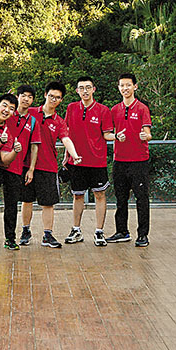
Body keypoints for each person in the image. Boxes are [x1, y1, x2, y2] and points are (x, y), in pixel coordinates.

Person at [20, 82, 83, 248]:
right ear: (45, 95)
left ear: (61, 100)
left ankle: (47, 235)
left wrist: (74, 155)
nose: (53, 99)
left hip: (48, 166)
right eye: (51, 96)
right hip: (27, 165)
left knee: (48, 203)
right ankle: (25, 231)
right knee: (27, 200)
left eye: (57, 97)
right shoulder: (31, 112)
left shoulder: (59, 122)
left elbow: (66, 139)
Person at [0, 89, 39, 250]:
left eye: (30, 97)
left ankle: (10, 238)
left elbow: (34, 146)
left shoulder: (31, 121)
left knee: (11, 205)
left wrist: (31, 168)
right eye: (23, 95)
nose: (26, 99)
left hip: (15, 168)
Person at [63, 76, 115, 246]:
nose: (85, 91)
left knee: (100, 195)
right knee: (77, 195)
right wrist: (66, 155)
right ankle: (76, 230)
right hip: (76, 162)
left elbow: (107, 134)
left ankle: (99, 232)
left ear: (94, 89)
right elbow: (66, 134)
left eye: (88, 87)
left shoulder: (103, 110)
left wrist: (118, 136)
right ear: (77, 91)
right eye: (81, 88)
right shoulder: (71, 108)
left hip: (97, 161)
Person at [108, 73, 153, 247]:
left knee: (142, 198)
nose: (125, 88)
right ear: (118, 87)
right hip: (120, 160)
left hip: (139, 161)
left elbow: (148, 133)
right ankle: (122, 232)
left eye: (128, 85)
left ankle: (142, 235)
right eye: (122, 85)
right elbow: (108, 133)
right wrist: (115, 136)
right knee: (120, 198)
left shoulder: (142, 108)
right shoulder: (114, 110)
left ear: (135, 86)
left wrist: (145, 136)